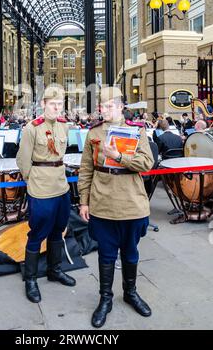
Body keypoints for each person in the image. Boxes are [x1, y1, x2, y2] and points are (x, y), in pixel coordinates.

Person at [78, 86, 154, 328]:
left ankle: (130, 293)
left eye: (110, 106)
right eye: (102, 106)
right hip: (103, 202)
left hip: (132, 201)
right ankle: (105, 299)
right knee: (106, 253)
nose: (105, 110)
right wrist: (83, 200)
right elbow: (86, 169)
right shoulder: (94, 133)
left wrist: (119, 156)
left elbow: (147, 164)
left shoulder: (137, 131)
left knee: (130, 251)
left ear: (121, 107)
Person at [17, 86, 76, 304]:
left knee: (58, 229)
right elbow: (23, 160)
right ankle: (30, 279)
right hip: (41, 187)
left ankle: (55, 270)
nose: (57, 108)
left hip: (61, 186)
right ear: (43, 104)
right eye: (53, 104)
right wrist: (32, 180)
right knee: (37, 232)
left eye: (60, 104)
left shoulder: (64, 125)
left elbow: (61, 154)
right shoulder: (32, 128)